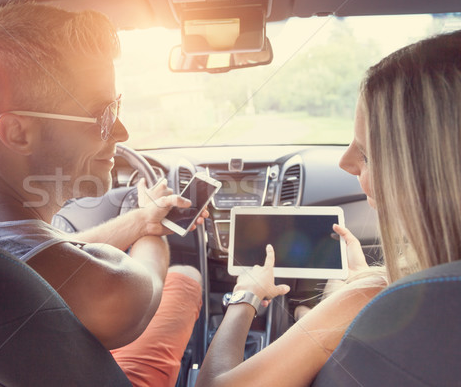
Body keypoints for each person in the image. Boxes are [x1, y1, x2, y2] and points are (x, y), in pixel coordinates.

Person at [0, 2, 204, 387]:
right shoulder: (106, 293)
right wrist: (155, 226)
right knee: (184, 276)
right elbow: (149, 285)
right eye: (102, 115)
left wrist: (139, 218)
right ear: (18, 133)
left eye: (116, 106)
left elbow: (48, 251)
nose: (121, 132)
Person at [195, 29, 461, 387]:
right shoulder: (395, 299)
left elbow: (213, 384)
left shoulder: (374, 298)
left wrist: (247, 295)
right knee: (309, 311)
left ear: (425, 174)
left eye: (366, 154)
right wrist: (345, 294)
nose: (344, 162)